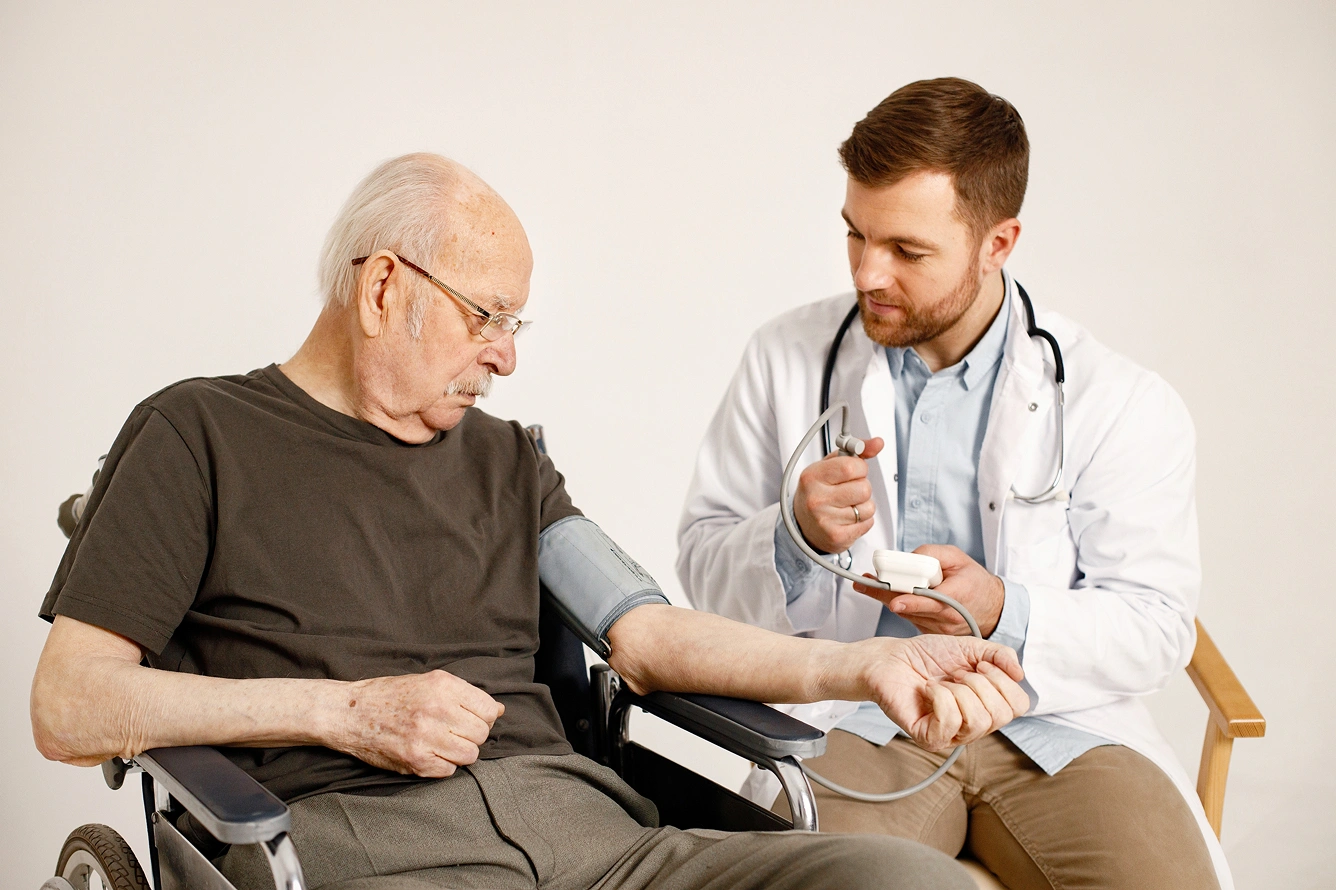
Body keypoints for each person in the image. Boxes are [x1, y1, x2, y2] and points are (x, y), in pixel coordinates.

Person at [30, 153, 1031, 890]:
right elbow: (70, 704)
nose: (506, 357)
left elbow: (645, 631)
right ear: (383, 287)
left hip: (600, 840)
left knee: (916, 882)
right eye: (486, 316)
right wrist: (345, 711)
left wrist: (858, 667)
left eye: (517, 325)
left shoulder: (510, 462)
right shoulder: (198, 433)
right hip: (361, 850)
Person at [677, 79, 1229, 890]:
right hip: (863, 718)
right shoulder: (784, 357)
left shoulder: (1118, 400)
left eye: (907, 250)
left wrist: (1004, 609)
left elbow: (1156, 625)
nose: (869, 272)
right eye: (855, 235)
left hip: (1053, 725)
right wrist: (793, 536)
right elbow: (700, 568)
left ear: (998, 243)